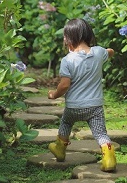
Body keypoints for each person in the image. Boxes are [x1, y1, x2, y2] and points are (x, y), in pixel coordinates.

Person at [47, 18, 116, 172]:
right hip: (95, 107)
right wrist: (109, 53)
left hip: (74, 107)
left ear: (70, 38)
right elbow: (110, 51)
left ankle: (60, 149)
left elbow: (64, 85)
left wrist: (54, 95)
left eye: (65, 37)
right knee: (100, 133)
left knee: (65, 123)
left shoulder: (67, 60)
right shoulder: (98, 52)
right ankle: (108, 155)